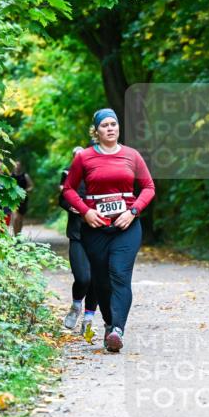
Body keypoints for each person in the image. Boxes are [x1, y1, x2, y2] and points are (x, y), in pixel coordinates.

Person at [62, 109, 155, 353]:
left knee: (120, 275)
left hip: (126, 226)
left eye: (114, 124)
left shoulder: (131, 155)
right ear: (96, 131)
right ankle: (108, 323)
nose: (110, 128)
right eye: (105, 125)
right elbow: (69, 190)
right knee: (101, 282)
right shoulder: (84, 157)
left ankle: (117, 330)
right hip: (96, 228)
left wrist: (132, 211)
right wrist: (85, 211)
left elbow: (148, 187)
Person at [59, 146, 100, 340]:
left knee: (96, 281)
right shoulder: (72, 178)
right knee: (83, 278)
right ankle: (76, 306)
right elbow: (63, 199)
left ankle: (88, 320)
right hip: (77, 235)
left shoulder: (102, 177)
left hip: (101, 235)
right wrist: (73, 207)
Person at [11, 159, 34, 236]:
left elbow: (31, 186)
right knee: (15, 218)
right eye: (16, 165)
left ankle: (18, 236)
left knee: (20, 219)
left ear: (20, 166)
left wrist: (25, 190)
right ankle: (15, 236)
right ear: (13, 166)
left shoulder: (25, 175)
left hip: (23, 199)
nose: (17, 167)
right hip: (13, 199)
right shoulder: (11, 176)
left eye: (18, 165)